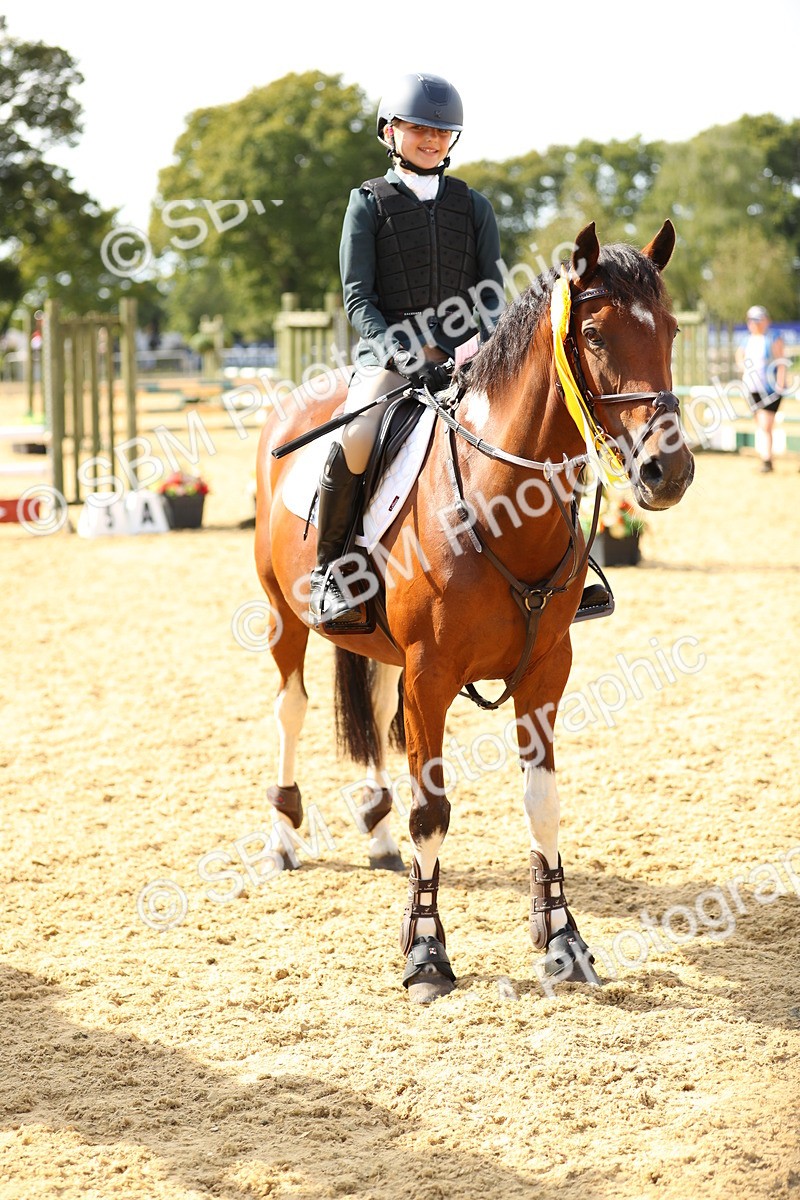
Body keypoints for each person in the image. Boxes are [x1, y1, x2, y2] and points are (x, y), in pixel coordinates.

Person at [308, 72, 506, 626]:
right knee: (356, 435)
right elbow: (358, 297)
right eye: (419, 128)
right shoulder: (366, 203)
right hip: (390, 361)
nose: (432, 140)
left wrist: (479, 346)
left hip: (468, 360)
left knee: (536, 424)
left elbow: (491, 293)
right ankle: (333, 569)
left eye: (442, 132)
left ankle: (567, 566)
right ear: (390, 133)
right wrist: (401, 351)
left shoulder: (474, 206)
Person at [736, 305, 787, 473]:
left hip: (770, 389)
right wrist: (744, 368)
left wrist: (780, 384)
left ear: (766, 321)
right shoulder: (746, 339)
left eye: (758, 320)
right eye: (751, 320)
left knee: (765, 425)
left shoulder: (773, 338)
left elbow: (781, 362)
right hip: (752, 389)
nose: (754, 323)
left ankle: (767, 460)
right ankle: (766, 457)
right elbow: (739, 355)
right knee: (761, 424)